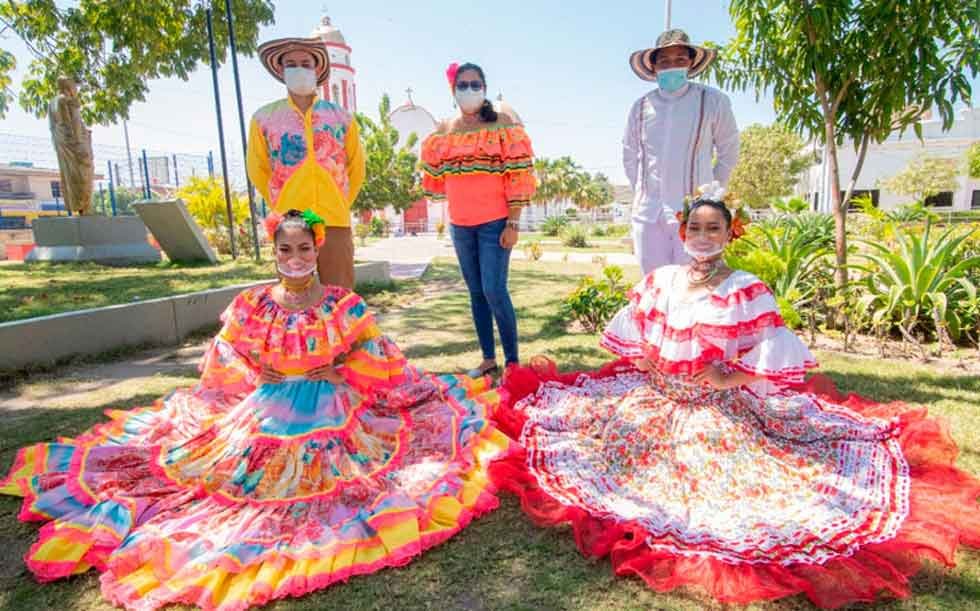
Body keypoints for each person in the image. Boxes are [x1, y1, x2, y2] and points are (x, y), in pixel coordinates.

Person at [490, 184, 980, 608]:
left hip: (716, 408)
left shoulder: (746, 289)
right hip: (654, 401)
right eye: (695, 228)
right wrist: (650, 363)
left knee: (725, 478)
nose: (702, 237)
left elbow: (772, 349)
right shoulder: (661, 281)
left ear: (729, 234)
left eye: (713, 229)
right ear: (682, 234)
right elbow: (637, 336)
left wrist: (729, 380)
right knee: (609, 451)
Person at [0, 210, 511, 610]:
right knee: (231, 470)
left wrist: (340, 370)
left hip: (331, 411)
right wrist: (254, 374)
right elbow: (225, 353)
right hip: (263, 411)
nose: (294, 256)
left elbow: (376, 353)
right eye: (285, 249)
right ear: (274, 252)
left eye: (303, 248)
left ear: (317, 249)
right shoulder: (252, 305)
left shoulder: (341, 304)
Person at [421, 62, 536, 378]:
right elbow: (438, 177)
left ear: (484, 88)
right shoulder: (444, 131)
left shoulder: (502, 124)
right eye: (463, 85)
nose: (469, 90)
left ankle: (512, 363)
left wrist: (513, 223)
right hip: (461, 226)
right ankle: (488, 359)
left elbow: (519, 175)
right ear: (453, 90)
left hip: (495, 224)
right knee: (475, 292)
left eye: (475, 84)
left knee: (494, 290)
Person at [247, 37, 365, 289]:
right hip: (290, 226)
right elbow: (257, 168)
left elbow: (356, 167)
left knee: (340, 296)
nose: (298, 69)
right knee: (294, 298)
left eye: (305, 63)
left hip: (335, 221)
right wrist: (280, 204)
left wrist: (341, 202)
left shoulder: (341, 117)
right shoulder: (264, 118)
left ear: (317, 69)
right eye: (291, 64)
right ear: (280, 70)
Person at [623, 29, 739, 274]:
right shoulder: (641, 107)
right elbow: (630, 155)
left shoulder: (713, 101)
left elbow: (728, 151)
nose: (671, 66)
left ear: (691, 63)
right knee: (653, 286)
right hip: (648, 215)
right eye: (664, 61)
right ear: (654, 67)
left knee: (695, 285)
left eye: (679, 60)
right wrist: (642, 193)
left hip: (693, 217)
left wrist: (711, 196)